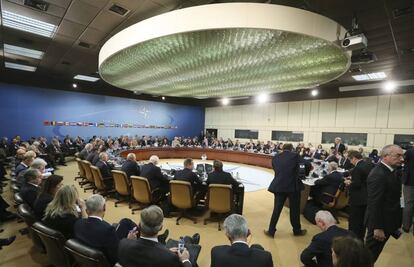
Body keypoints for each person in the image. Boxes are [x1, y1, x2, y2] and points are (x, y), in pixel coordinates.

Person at [118, 205, 193, 267]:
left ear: (139, 225)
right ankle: (190, 240)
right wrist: (185, 260)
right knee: (190, 252)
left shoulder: (123, 244)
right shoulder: (170, 258)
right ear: (161, 228)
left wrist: (166, 252)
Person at [365, 144, 404, 262]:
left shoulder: (392, 171)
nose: (402, 159)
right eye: (398, 156)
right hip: (379, 225)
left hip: (388, 221)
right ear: (386, 156)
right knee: (369, 257)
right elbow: (374, 203)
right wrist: (377, 227)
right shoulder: (378, 174)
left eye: (402, 156)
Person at [74, 194, 138, 265]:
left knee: (125, 222)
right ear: (104, 208)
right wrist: (128, 241)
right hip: (107, 262)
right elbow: (116, 257)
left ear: (86, 210)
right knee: (129, 226)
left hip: (88, 258)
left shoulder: (78, 223)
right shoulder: (107, 229)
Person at [265, 143, 307, 237]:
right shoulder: (296, 156)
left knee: (277, 209)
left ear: (282, 148)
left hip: (279, 185)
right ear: (292, 149)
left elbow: (276, 169)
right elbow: (305, 164)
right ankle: (297, 230)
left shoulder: (275, 157)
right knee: (295, 209)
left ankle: (271, 231)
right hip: (293, 186)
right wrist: (302, 175)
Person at [344, 150, 374, 240]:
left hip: (357, 199)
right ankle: (360, 239)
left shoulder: (357, 168)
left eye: (350, 159)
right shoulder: (368, 164)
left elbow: (356, 184)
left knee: (354, 222)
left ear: (354, 158)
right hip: (367, 197)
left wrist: (349, 182)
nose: (350, 162)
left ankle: (353, 241)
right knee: (362, 222)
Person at [402, 144, 414, 233]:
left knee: (408, 203)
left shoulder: (410, 151)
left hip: (410, 181)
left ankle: (406, 226)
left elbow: (402, 160)